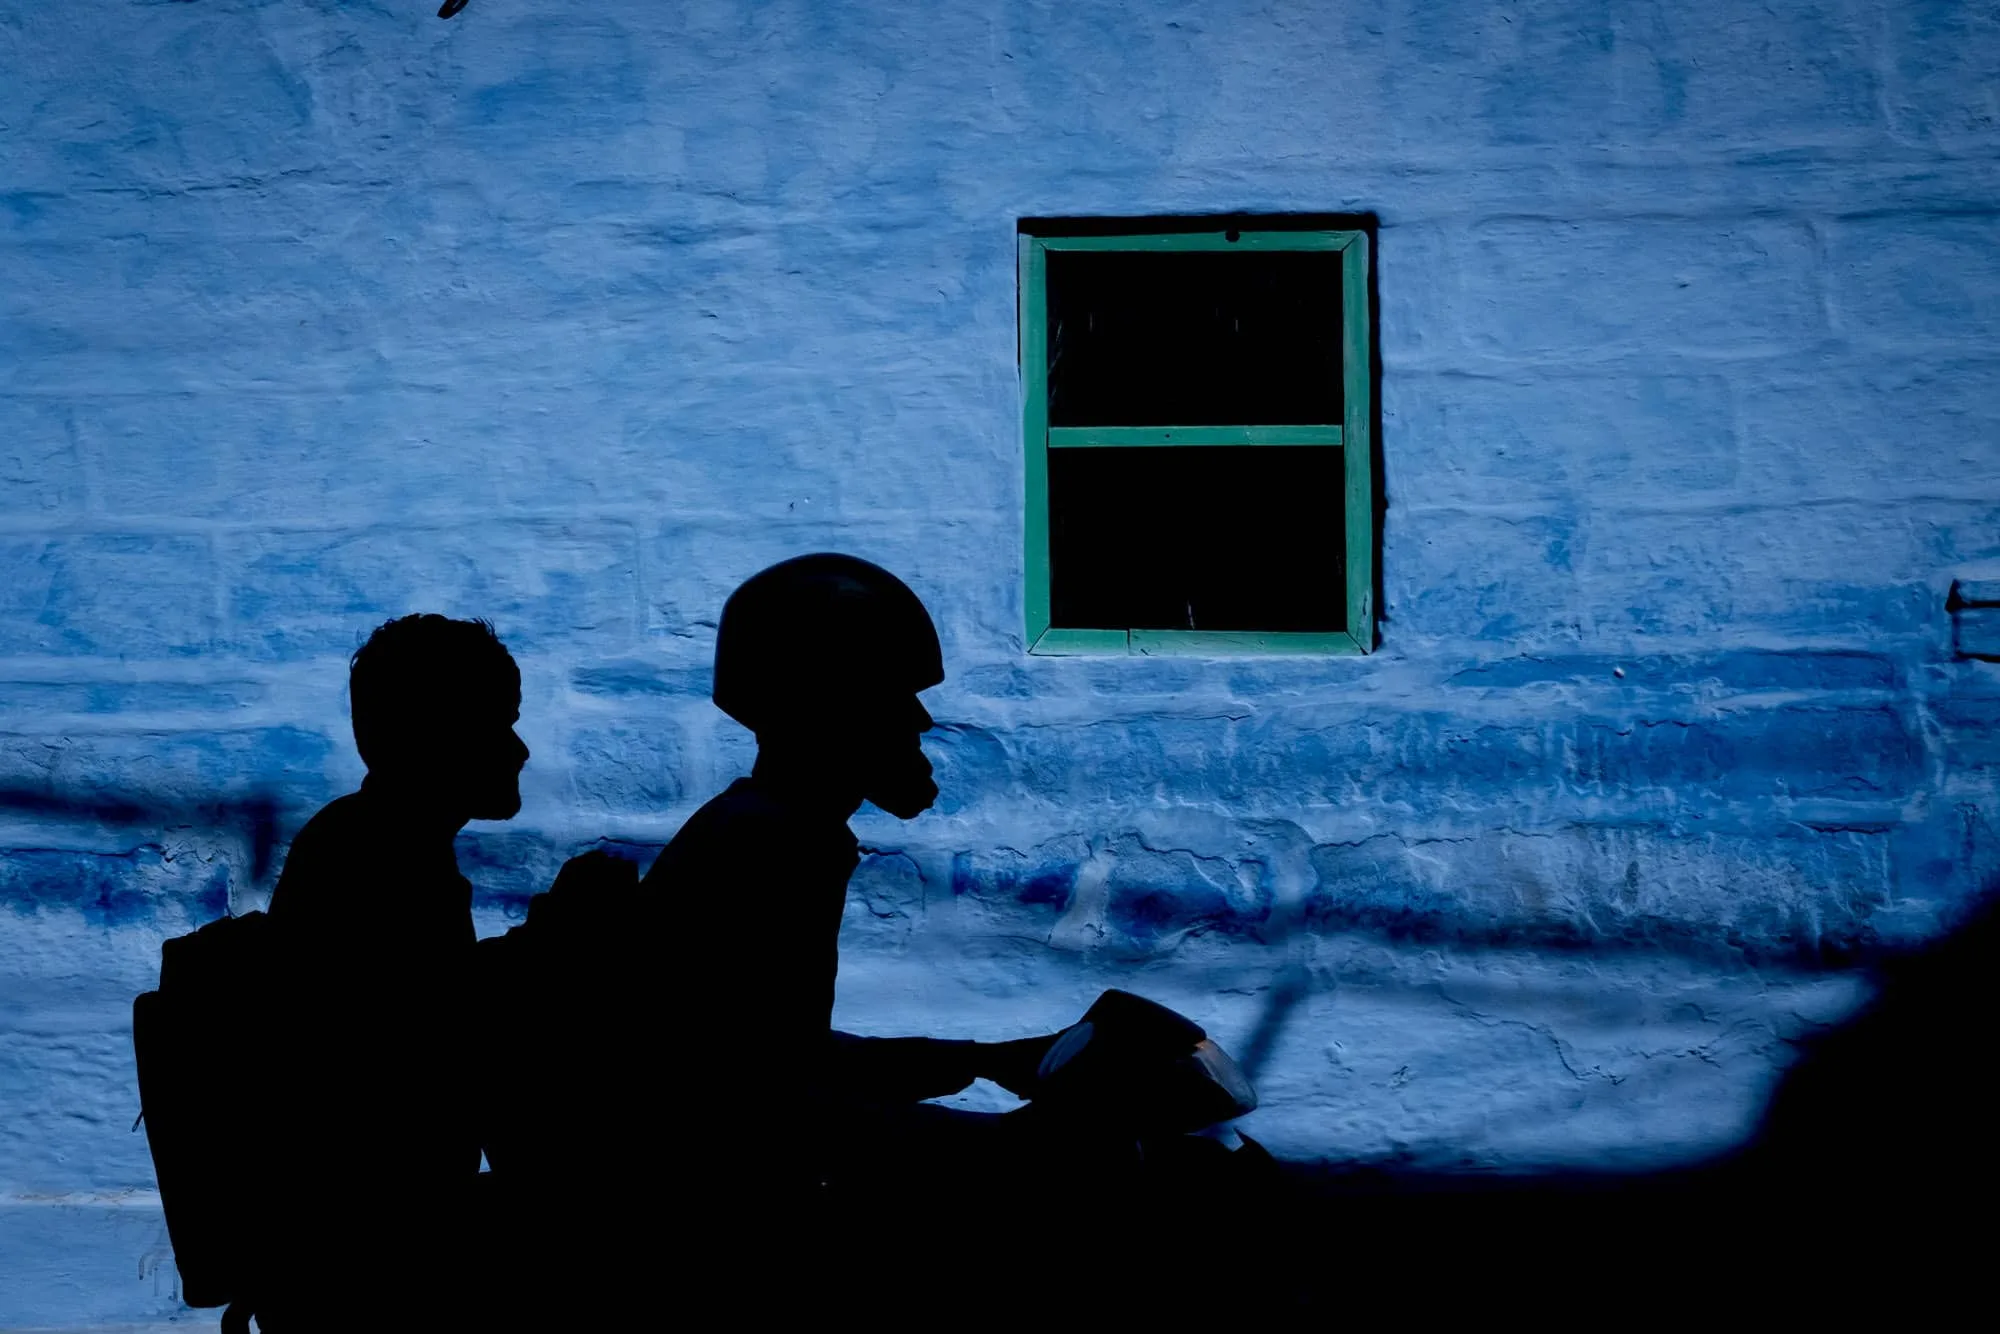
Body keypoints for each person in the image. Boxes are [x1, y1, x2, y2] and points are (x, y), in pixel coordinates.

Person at [256, 614, 529, 1330]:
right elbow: (429, 1047)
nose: (520, 749)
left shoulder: (369, 839)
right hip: (372, 1251)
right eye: (498, 725)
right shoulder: (382, 859)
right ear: (438, 737)